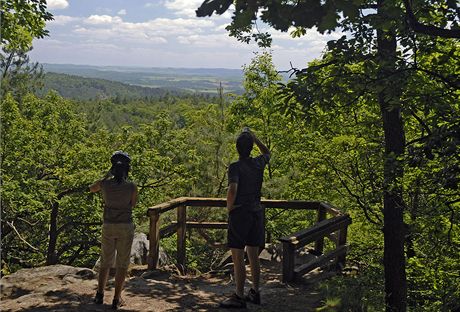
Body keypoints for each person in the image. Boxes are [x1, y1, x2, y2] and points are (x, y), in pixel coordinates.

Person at [220, 128, 270, 309]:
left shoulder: (235, 167)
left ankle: (239, 296)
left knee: (238, 256)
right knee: (253, 255)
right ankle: (255, 292)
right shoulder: (258, 163)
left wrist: (229, 207)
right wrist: (255, 137)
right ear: (250, 147)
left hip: (241, 214)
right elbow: (267, 152)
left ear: (237, 148)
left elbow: (232, 189)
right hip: (256, 212)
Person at [89, 151, 138, 310]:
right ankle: (116, 299)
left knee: (105, 261)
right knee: (122, 264)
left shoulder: (105, 184)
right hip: (125, 226)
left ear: (112, 168)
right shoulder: (131, 186)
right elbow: (133, 204)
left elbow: (92, 188)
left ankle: (99, 295)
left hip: (108, 225)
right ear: (126, 170)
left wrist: (106, 175)